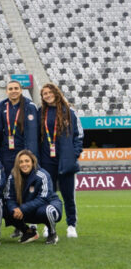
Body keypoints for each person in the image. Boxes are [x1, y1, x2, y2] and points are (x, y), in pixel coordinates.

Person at [39, 83, 83, 239]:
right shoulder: (41, 112)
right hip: (46, 161)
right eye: (44, 93)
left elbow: (79, 136)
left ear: (56, 93)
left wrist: (73, 154)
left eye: (50, 92)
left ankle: (71, 225)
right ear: (42, 97)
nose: (48, 95)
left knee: (68, 196)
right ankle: (48, 225)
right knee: (48, 195)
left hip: (65, 160)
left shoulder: (69, 111)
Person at [4, 150, 63, 244]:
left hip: (47, 206)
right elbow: (9, 197)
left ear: (32, 162)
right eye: (21, 162)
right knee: (4, 207)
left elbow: (43, 199)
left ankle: (52, 233)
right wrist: (14, 208)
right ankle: (28, 232)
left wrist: (22, 209)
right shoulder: (13, 176)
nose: (24, 164)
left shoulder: (42, 175)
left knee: (46, 210)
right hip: (27, 210)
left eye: (27, 161)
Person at [0, 81, 39, 176]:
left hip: (23, 151)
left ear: (21, 90)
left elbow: (32, 134)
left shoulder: (29, 106)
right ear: (6, 91)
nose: (13, 91)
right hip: (7, 152)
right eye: (10, 89)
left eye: (16, 88)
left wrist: (29, 154)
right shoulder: (1, 106)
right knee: (8, 180)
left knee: (23, 180)